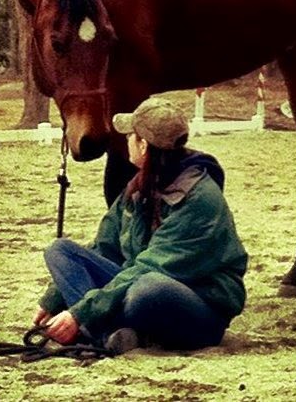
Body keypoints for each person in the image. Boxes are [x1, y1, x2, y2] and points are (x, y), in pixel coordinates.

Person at [33, 97, 248, 354]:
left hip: (198, 304)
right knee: (60, 251)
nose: (126, 140)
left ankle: (100, 333)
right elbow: (104, 248)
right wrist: (54, 298)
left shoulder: (199, 199)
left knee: (146, 290)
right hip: (138, 280)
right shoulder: (140, 185)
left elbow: (153, 267)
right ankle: (110, 335)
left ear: (143, 145)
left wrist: (79, 312)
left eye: (130, 135)